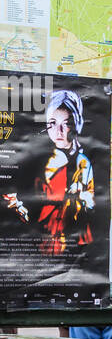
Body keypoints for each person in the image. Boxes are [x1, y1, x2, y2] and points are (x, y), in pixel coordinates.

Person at [3, 89, 96, 254]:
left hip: (77, 246)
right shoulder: (41, 161)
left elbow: (92, 202)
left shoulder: (84, 163)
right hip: (44, 244)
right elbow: (29, 206)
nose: (58, 131)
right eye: (52, 123)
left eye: (66, 123)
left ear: (76, 123)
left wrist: (82, 198)